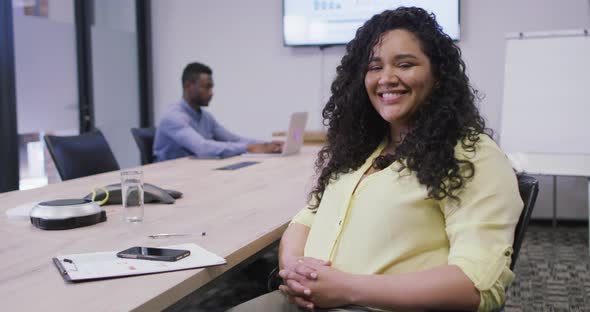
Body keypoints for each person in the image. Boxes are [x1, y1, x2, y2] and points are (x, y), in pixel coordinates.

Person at [228, 7, 523, 312]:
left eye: (405, 64)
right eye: (374, 67)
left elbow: (476, 284)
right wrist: (296, 269)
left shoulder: (472, 155)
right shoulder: (360, 150)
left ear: (438, 76)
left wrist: (346, 290)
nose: (386, 79)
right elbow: (305, 220)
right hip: (307, 301)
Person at [153, 62, 282, 161]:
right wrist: (249, 147)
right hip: (169, 180)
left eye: (212, 87)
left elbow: (234, 139)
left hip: (194, 173)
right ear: (188, 86)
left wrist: (266, 145)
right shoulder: (173, 117)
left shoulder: (205, 117)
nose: (211, 93)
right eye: (206, 87)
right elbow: (202, 148)